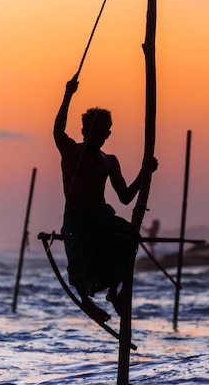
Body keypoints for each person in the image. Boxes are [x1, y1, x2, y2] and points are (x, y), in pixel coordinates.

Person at [54, 73, 158, 322]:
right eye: (95, 131)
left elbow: (124, 197)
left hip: (101, 216)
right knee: (81, 257)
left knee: (127, 240)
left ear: (108, 134)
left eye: (104, 132)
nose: (100, 137)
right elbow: (57, 130)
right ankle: (86, 301)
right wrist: (68, 95)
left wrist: (143, 175)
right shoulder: (71, 152)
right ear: (84, 130)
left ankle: (114, 293)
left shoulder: (109, 162)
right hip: (77, 217)